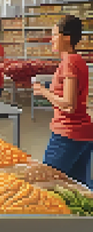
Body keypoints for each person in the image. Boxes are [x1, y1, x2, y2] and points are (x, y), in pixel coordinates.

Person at [33, 15, 92, 189]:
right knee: (80, 189)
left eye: (54, 34)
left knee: (46, 186)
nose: (51, 39)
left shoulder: (69, 63)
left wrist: (43, 91)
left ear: (66, 37)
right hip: (83, 134)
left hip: (67, 134)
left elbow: (68, 105)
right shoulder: (79, 60)